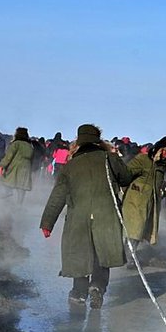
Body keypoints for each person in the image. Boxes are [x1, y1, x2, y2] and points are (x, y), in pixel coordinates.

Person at [39, 123, 132, 308]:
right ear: (98, 140)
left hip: (78, 218)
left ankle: (79, 294)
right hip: (106, 216)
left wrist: (47, 223)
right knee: (101, 254)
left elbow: (58, 195)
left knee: (80, 255)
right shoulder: (110, 159)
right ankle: (97, 287)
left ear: (79, 141)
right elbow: (126, 178)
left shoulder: (71, 165)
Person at [122, 136, 166, 260]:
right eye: (165, 151)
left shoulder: (162, 166)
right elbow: (126, 174)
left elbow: (157, 182)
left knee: (142, 231)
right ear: (159, 149)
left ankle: (128, 254)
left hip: (151, 202)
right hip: (135, 200)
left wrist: (164, 189)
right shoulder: (142, 159)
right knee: (134, 230)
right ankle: (129, 257)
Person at [0, 127, 34, 204]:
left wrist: (2, 165)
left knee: (7, 179)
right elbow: (32, 158)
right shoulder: (30, 145)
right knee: (22, 185)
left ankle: (8, 192)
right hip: (26, 167)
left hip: (15, 165)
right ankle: (19, 204)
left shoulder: (16, 144)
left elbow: (9, 156)